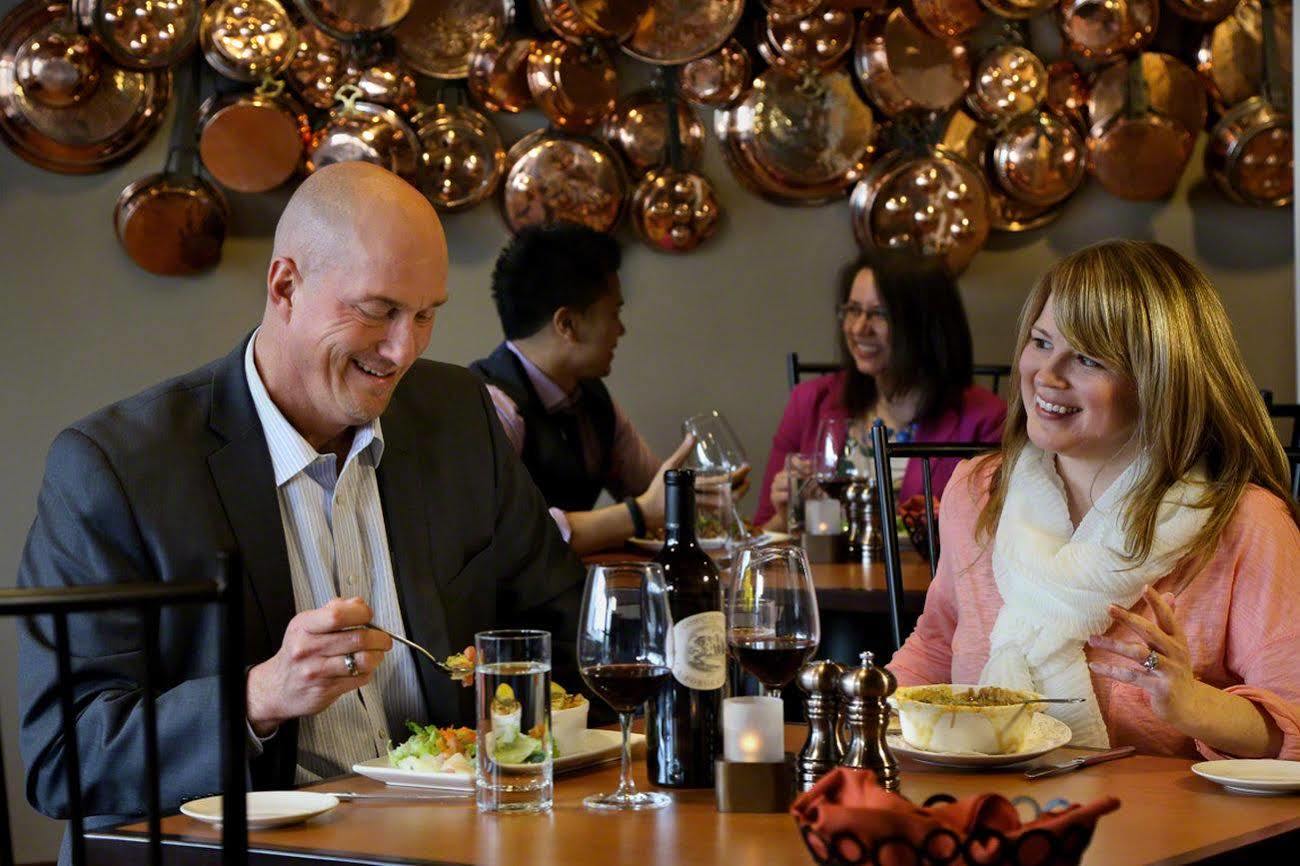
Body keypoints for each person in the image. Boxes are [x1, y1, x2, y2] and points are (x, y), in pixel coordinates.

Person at [18, 164, 586, 856]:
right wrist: (261, 695)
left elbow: (563, 632)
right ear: (285, 286)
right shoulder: (116, 468)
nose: (403, 350)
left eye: (426, 313)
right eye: (377, 310)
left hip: (451, 839)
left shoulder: (457, 415)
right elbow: (65, 762)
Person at [889, 240, 1300, 760]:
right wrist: (861, 711)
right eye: (1041, 342)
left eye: (1086, 358)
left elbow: (1294, 725)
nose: (1047, 374)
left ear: (1159, 379)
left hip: (1167, 830)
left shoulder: (1243, 522)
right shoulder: (978, 491)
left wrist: (1192, 705)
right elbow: (937, 646)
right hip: (988, 806)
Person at [472, 224, 722, 555]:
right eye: (614, 312)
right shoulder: (493, 406)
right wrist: (640, 514)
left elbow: (651, 488)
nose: (621, 329)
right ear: (567, 324)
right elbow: (501, 538)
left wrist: (702, 493)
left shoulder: (591, 397)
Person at [756, 254, 1005, 530]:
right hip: (825, 571)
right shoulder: (810, 401)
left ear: (926, 325)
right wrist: (788, 515)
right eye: (853, 309)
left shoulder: (986, 420)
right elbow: (762, 532)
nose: (859, 328)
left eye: (879, 314)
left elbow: (991, 544)